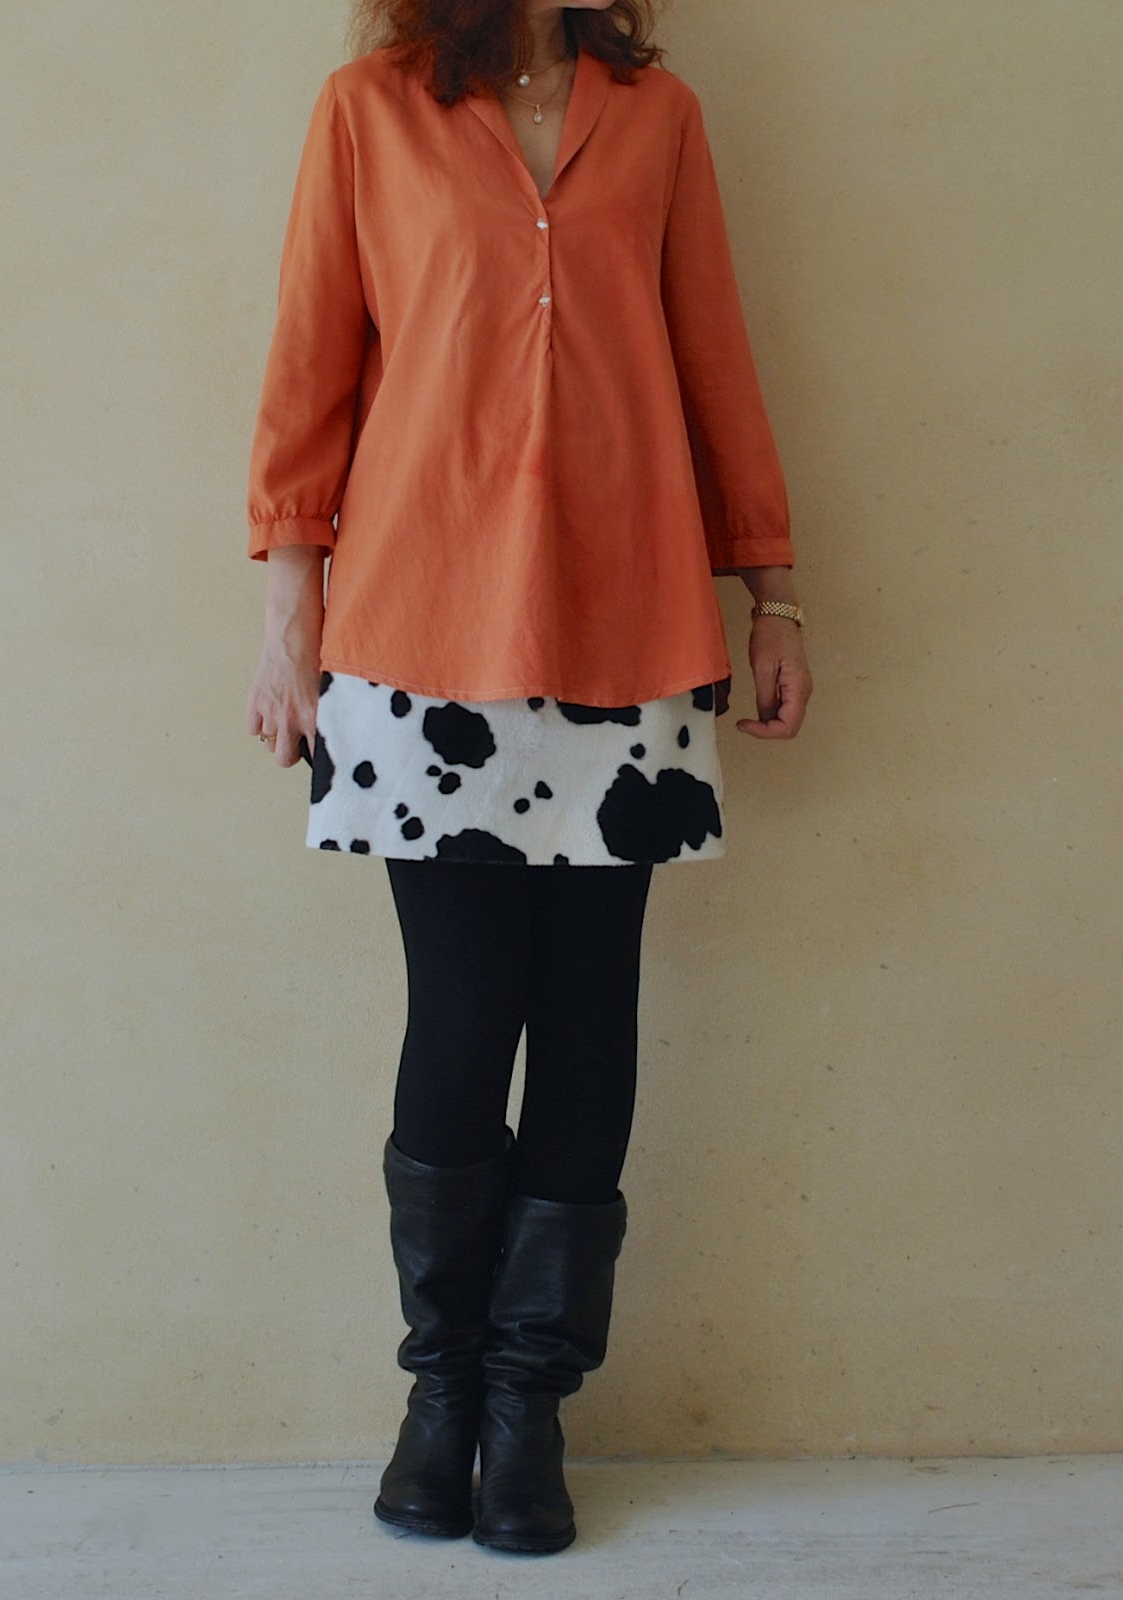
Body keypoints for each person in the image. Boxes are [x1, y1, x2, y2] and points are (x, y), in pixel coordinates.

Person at [242, 0, 812, 1557]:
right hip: (417, 636)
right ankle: (440, 1396)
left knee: (589, 1015)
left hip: (630, 624)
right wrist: (288, 625)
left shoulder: (661, 118)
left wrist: (775, 592)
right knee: (461, 1010)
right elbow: (312, 364)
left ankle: (527, 1403)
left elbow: (713, 354)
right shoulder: (369, 111)